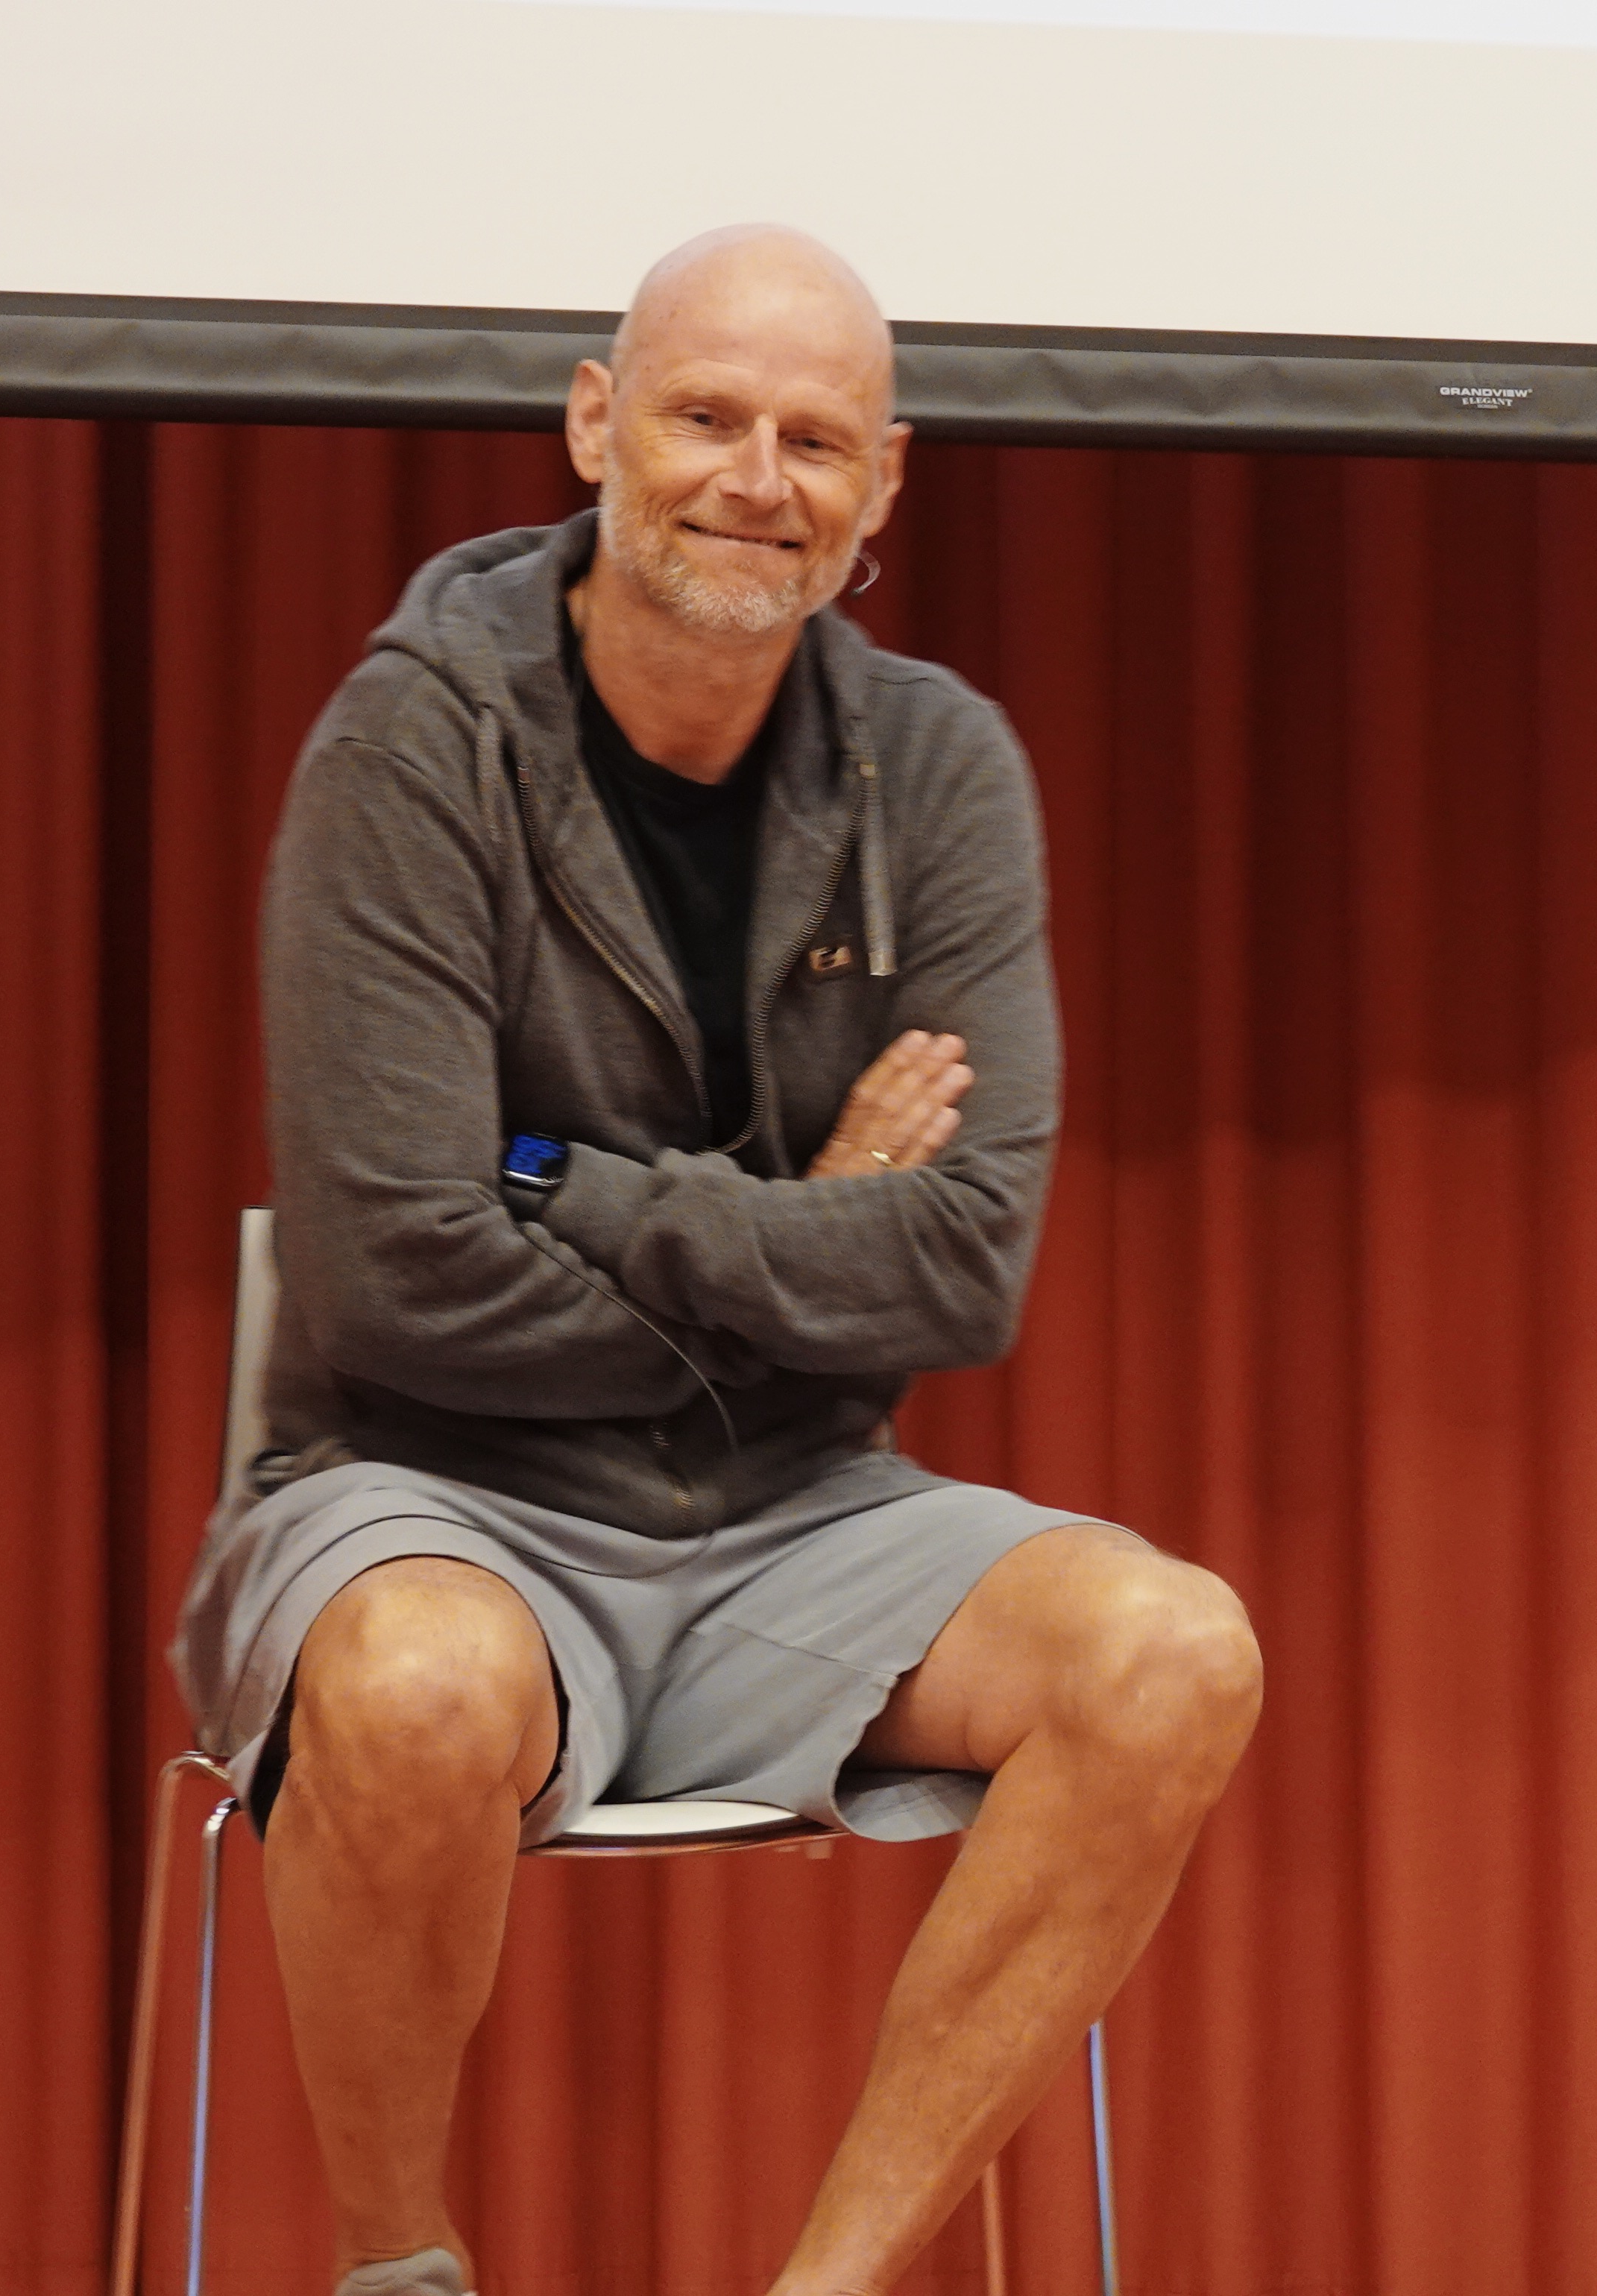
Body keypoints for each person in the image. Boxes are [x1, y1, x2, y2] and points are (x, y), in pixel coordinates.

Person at [171, 224, 1261, 2296]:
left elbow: (958, 1283)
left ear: (884, 483)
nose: (758, 477)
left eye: (814, 438)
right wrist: (801, 1234)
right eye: (704, 416)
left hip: (797, 1519)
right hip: (430, 1490)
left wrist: (574, 1182)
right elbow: (401, 1278)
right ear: (598, 425)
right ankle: (401, 2269)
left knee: (1175, 1649)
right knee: (413, 1688)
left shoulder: (938, 766)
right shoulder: (411, 746)